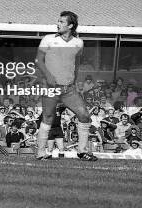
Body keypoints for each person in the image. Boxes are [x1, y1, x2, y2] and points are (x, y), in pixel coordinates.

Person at [35, 11, 97, 161]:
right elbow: (38, 61)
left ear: (70, 25)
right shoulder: (48, 39)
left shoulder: (79, 43)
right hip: (50, 88)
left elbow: (76, 64)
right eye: (58, 21)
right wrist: (48, 76)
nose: (58, 24)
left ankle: (82, 152)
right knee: (48, 118)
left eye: (62, 22)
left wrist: (74, 81)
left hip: (69, 89)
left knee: (84, 115)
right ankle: (41, 153)